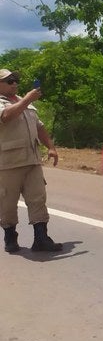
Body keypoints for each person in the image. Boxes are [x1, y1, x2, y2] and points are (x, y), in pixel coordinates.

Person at [0, 69, 63, 253]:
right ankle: (10, 236)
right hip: (8, 163)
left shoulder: (23, 102)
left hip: (32, 160)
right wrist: (28, 99)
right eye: (9, 80)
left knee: (38, 198)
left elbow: (39, 126)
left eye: (15, 80)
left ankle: (41, 239)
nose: (14, 83)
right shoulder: (11, 103)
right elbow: (5, 117)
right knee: (7, 203)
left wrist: (51, 147)